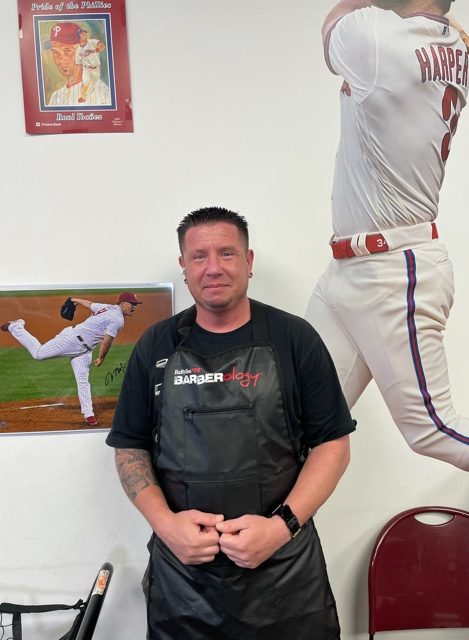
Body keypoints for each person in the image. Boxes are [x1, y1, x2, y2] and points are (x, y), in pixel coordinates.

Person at [106, 207, 355, 639]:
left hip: (283, 571)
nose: (214, 268)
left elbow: (332, 445)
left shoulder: (294, 338)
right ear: (184, 267)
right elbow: (130, 448)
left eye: (227, 253)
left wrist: (282, 528)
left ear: (249, 261)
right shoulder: (156, 344)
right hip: (184, 577)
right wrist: (167, 526)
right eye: (199, 256)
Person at [305, 0, 469, 474]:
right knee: (302, 421)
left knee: (432, 431)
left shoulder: (379, 37)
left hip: (394, 266)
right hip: (349, 268)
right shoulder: (447, 46)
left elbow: (332, 22)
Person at [1, 292, 142, 426]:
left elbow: (90, 304)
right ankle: (17, 327)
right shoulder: (117, 319)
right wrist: (101, 358)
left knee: (82, 380)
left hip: (84, 349)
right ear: (123, 303)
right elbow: (106, 341)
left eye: (136, 304)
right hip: (71, 340)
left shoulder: (109, 307)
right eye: (132, 303)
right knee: (38, 353)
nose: (135, 307)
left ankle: (89, 414)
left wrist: (75, 300)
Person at [44, 22, 110, 107]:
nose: (60, 60)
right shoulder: (55, 97)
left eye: (67, 51)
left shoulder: (101, 93)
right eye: (55, 52)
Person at [75, 29, 107, 104]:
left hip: (96, 68)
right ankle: (82, 97)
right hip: (86, 69)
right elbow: (78, 63)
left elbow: (102, 46)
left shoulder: (92, 42)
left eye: (85, 34)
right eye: (82, 34)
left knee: (93, 84)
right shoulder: (78, 50)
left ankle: (87, 96)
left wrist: (95, 50)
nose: (84, 35)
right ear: (78, 36)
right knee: (85, 82)